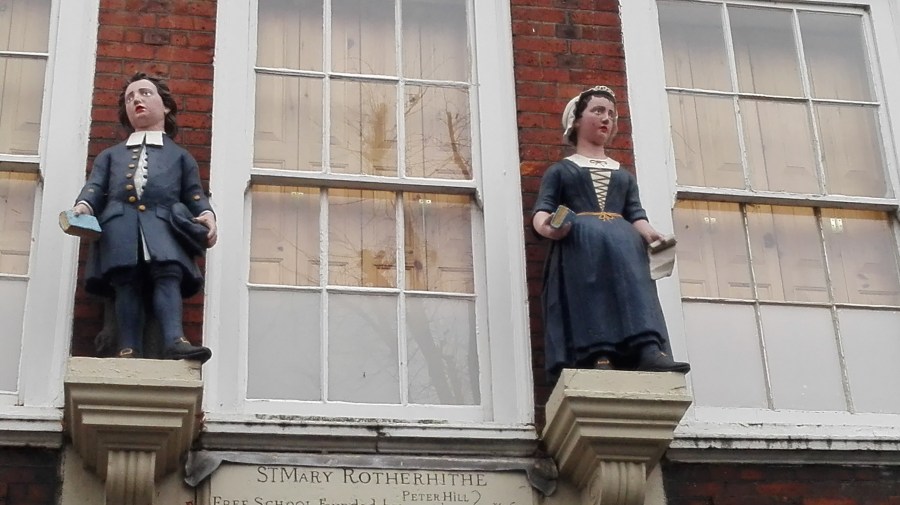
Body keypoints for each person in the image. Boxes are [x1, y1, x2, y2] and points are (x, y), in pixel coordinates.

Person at [532, 85, 689, 377]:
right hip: (582, 247)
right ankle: (598, 353)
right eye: (598, 111)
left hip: (625, 247)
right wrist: (548, 228)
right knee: (592, 294)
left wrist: (651, 233)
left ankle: (648, 350)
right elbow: (543, 209)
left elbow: (635, 213)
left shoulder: (623, 175)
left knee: (637, 292)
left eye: (611, 114)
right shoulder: (562, 171)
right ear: (576, 120)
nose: (606, 118)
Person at [71, 72, 215, 362]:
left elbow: (194, 194)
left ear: (166, 107)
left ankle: (176, 339)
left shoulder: (180, 156)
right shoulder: (111, 155)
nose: (136, 99)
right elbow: (95, 187)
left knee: (168, 275)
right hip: (120, 224)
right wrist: (83, 206)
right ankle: (128, 347)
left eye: (145, 93)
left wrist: (207, 215)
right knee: (126, 280)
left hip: (162, 223)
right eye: (129, 97)